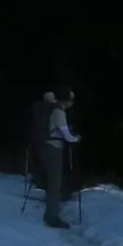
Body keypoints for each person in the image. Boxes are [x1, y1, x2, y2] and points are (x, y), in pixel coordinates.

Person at [29, 89, 80, 228]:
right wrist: (75, 139)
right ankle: (52, 217)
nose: (72, 102)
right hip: (53, 148)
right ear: (67, 100)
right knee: (55, 183)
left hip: (45, 147)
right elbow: (65, 134)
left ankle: (51, 213)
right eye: (71, 99)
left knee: (52, 181)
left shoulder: (52, 109)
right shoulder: (59, 111)